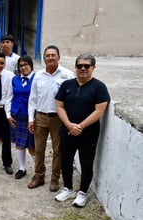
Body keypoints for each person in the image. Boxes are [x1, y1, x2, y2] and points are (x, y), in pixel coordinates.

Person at [54, 54, 110, 208]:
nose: (83, 69)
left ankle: (83, 192)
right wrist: (69, 125)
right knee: (65, 159)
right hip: (66, 130)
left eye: (87, 66)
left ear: (93, 68)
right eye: (80, 66)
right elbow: (59, 106)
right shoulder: (66, 85)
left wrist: (80, 127)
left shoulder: (99, 87)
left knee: (86, 163)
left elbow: (100, 111)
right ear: (76, 67)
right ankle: (68, 188)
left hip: (88, 133)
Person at [27, 45, 75, 191]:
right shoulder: (38, 75)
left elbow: (72, 98)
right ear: (44, 58)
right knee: (39, 149)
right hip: (40, 117)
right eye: (47, 55)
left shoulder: (68, 75)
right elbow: (32, 98)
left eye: (53, 55)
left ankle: (55, 178)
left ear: (59, 57)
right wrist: (31, 118)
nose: (50, 58)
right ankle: (39, 175)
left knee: (58, 150)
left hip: (59, 119)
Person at [7, 55, 36, 180]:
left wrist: (33, 118)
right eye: (21, 65)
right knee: (19, 143)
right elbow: (9, 97)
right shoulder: (15, 79)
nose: (23, 67)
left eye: (26, 65)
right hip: (16, 115)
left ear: (31, 65)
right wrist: (8, 115)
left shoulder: (36, 78)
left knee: (32, 146)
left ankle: (38, 171)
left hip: (31, 117)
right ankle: (22, 168)